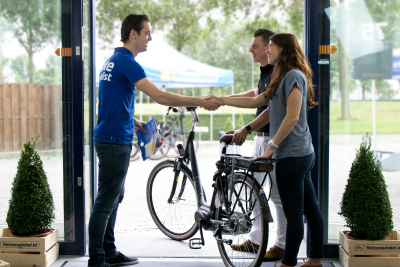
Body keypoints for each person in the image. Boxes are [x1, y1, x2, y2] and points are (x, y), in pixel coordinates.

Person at [89, 14, 223, 267]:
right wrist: (200, 102)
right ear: (133, 34)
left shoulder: (113, 60)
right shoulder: (127, 62)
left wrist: (134, 120)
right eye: (147, 32)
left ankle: (108, 251)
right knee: (105, 202)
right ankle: (97, 260)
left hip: (112, 136)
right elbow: (160, 96)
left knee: (114, 198)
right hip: (113, 140)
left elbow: (112, 100)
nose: (150, 37)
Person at [209, 33, 324, 267]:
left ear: (284, 49)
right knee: (311, 210)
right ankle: (314, 260)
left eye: (271, 46)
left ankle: (288, 263)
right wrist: (221, 99)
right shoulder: (280, 76)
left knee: (294, 214)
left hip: (292, 155)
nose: (268, 50)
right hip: (300, 152)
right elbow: (258, 103)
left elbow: (291, 117)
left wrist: (271, 148)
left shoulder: (293, 75)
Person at [225, 28, 286, 262]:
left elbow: (270, 109)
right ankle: (257, 239)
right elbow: (255, 94)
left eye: (256, 46)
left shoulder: (276, 71)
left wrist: (246, 129)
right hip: (261, 139)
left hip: (272, 140)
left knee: (277, 196)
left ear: (269, 47)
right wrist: (223, 100)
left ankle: (280, 245)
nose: (252, 49)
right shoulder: (266, 71)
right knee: (255, 190)